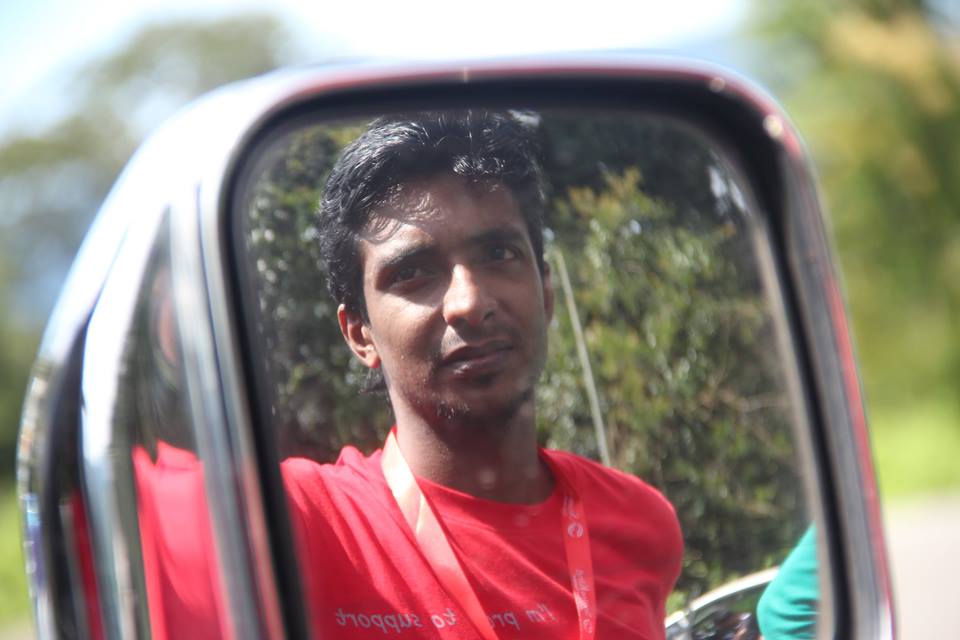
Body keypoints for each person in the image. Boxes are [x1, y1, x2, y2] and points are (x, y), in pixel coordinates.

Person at [281, 110, 684, 639]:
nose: (468, 303)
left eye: (498, 253)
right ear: (360, 334)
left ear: (546, 291)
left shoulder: (640, 522)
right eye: (412, 272)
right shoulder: (304, 524)